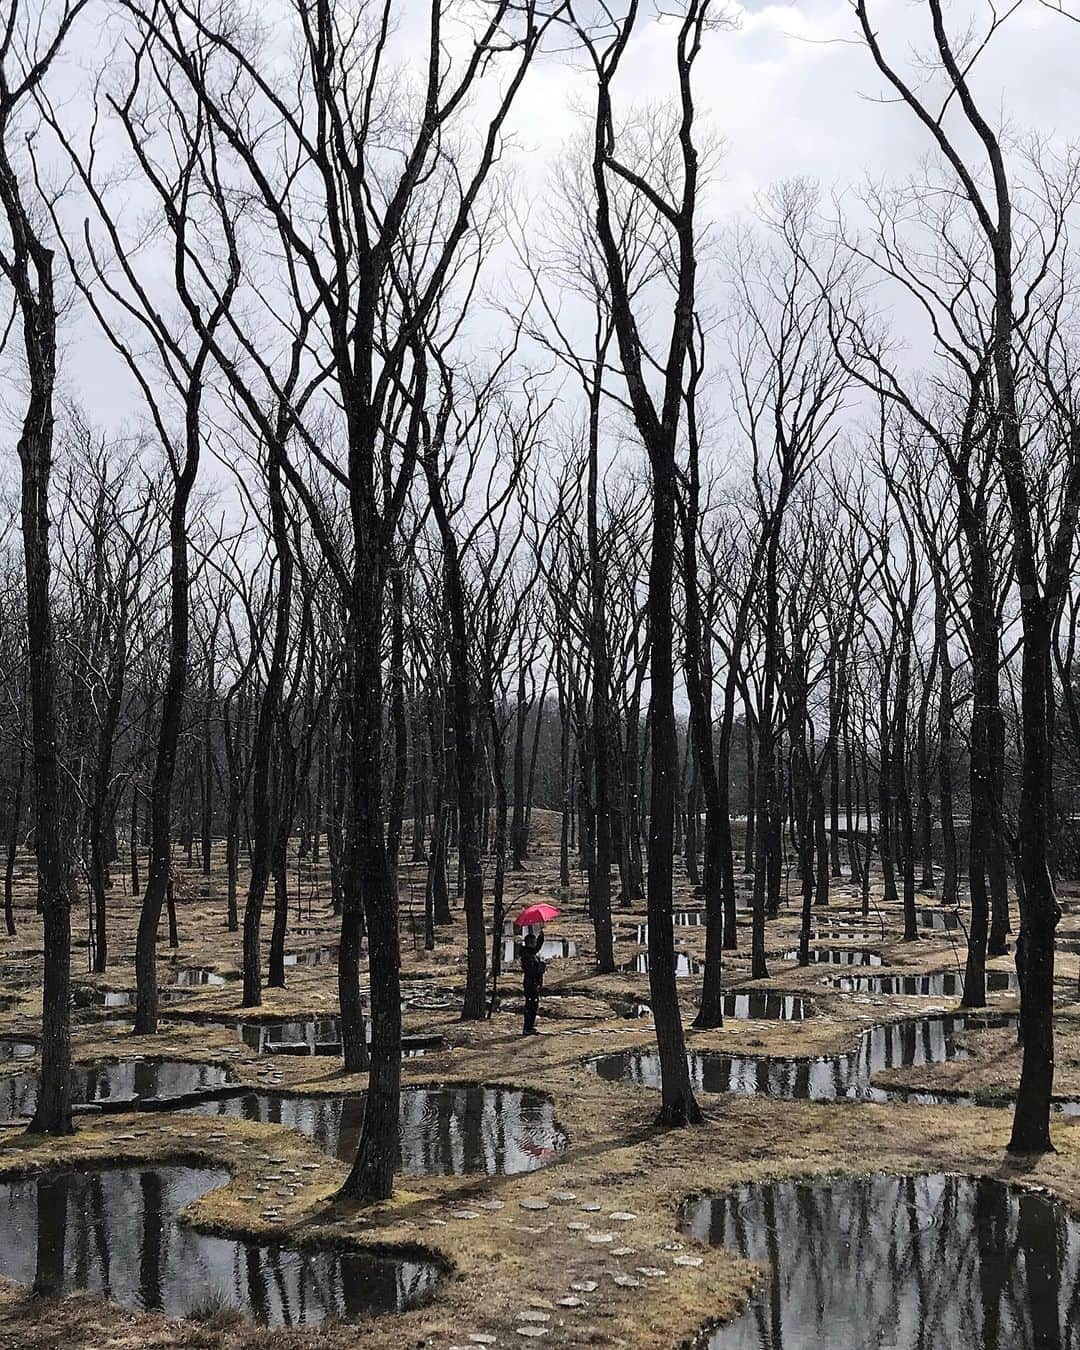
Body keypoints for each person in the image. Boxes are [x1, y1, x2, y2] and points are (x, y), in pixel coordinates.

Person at [520, 928, 546, 1036]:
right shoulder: (527, 956)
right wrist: (542, 966)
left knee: (533, 1005)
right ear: (530, 943)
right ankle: (527, 1028)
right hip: (531, 984)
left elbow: (537, 948)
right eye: (534, 942)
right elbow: (532, 971)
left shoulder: (529, 952)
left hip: (533, 983)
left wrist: (541, 937)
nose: (535, 944)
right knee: (531, 1006)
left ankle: (530, 1026)